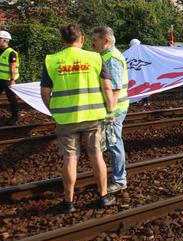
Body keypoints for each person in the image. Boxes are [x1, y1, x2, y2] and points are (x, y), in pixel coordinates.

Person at [40, 25, 116, 213]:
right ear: (81, 38)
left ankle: (68, 202)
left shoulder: (52, 60)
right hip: (93, 117)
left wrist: (54, 110)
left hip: (66, 119)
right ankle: (103, 197)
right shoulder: (95, 58)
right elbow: (107, 88)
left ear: (62, 40)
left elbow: (45, 92)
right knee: (96, 156)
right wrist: (111, 110)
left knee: (70, 159)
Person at [92, 26, 129, 194]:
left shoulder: (111, 58)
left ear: (105, 41)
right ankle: (117, 177)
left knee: (114, 144)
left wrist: (110, 113)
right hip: (114, 107)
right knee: (113, 143)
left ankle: (119, 180)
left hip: (115, 108)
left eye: (95, 40)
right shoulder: (106, 56)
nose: (92, 43)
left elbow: (114, 89)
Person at [0, 31, 19, 125]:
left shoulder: (11, 53)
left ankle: (14, 117)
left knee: (12, 99)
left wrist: (12, 80)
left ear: (5, 40)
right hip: (0, 79)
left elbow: (12, 68)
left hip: (8, 80)